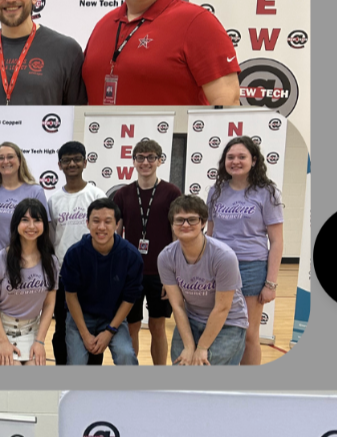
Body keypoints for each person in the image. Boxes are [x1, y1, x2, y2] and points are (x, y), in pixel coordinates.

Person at [82, 0, 241, 106]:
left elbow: (227, 102)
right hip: (102, 132)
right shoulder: (102, 26)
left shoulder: (197, 22)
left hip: (171, 133)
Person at [207, 137, 286, 365]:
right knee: (219, 328)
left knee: (249, 334)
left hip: (251, 267)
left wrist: (271, 283)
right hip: (219, 267)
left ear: (254, 160)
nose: (236, 161)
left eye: (242, 157)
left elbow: (277, 241)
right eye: (230, 157)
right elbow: (209, 234)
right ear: (224, 162)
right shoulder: (216, 191)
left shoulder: (267, 193)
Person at [107, 139, 180, 366]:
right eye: (140, 157)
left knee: (158, 326)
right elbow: (115, 236)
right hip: (131, 272)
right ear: (134, 162)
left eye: (150, 157)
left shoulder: (171, 192)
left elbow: (177, 235)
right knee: (132, 326)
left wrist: (174, 275)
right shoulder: (123, 194)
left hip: (161, 273)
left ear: (159, 160)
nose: (145, 162)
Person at [0, 143, 51, 354]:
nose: (5, 161)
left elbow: (43, 227)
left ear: (19, 160)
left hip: (24, 265)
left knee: (18, 317)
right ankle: (4, 350)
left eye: (10, 156)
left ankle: (21, 352)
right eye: (0, 157)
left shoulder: (34, 190)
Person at [159, 195, 251, 366]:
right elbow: (178, 305)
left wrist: (202, 347)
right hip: (192, 319)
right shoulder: (166, 257)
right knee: (182, 365)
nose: (185, 225)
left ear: (203, 223)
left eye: (192, 219)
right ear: (172, 224)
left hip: (228, 323)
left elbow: (222, 308)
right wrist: (188, 345)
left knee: (203, 367)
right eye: (179, 220)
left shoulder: (223, 256)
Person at [59, 196, 142, 366]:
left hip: (112, 317)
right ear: (87, 223)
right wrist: (84, 334)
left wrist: (110, 331)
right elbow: (71, 296)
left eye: (108, 221)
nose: (102, 227)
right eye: (96, 221)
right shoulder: (74, 254)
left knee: (126, 354)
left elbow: (129, 299)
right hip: (80, 317)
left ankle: (132, 392)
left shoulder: (131, 256)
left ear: (117, 224)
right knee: (76, 363)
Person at [46, 141, 109, 363]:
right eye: (66, 160)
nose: (72, 163)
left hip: (95, 276)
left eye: (76, 159)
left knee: (92, 326)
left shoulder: (97, 195)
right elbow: (52, 240)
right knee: (62, 328)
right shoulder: (53, 201)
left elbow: (108, 234)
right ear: (59, 165)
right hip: (64, 276)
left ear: (85, 162)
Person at [0, 198, 58, 366]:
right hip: (2, 330)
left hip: (31, 330)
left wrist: (40, 342)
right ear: (16, 224)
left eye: (37, 220)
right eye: (25, 220)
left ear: (44, 225)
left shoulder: (51, 262)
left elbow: (49, 304)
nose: (31, 226)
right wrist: (3, 341)